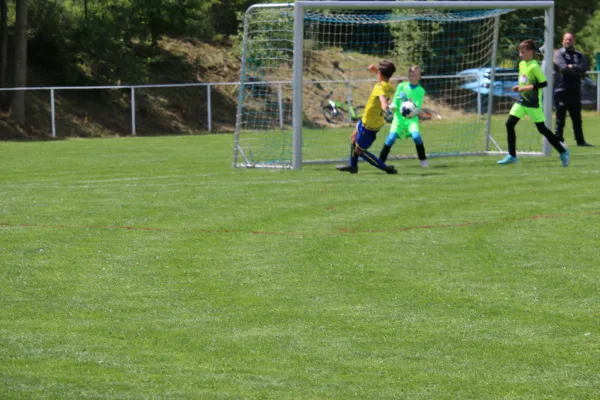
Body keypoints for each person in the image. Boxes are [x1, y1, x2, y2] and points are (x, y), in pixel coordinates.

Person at [498, 39, 570, 166]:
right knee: (509, 124)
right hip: (521, 101)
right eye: (520, 52)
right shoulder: (522, 64)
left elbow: (544, 83)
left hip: (533, 103)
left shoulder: (535, 66)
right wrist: (519, 87)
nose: (520, 55)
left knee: (542, 129)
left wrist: (524, 88)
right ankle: (512, 155)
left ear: (531, 52)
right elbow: (524, 81)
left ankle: (563, 151)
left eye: (522, 52)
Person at [336, 60, 398, 174]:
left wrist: (385, 105)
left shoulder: (380, 87)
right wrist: (375, 70)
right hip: (366, 119)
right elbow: (382, 83)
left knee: (359, 151)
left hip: (370, 124)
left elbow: (382, 97)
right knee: (354, 138)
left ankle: (385, 168)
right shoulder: (388, 86)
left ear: (380, 73)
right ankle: (353, 166)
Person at [379, 65, 428, 168]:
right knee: (391, 138)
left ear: (419, 77)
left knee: (416, 137)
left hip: (411, 120)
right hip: (398, 119)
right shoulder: (401, 86)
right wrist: (390, 107)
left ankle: (423, 160)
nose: (411, 77)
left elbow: (415, 107)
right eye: (410, 74)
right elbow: (395, 102)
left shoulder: (421, 91)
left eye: (414, 75)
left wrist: (406, 100)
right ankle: (380, 162)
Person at [553, 32, 592, 146]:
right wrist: (575, 69)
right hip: (561, 89)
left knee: (577, 118)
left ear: (574, 41)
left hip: (575, 90)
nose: (568, 41)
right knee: (560, 117)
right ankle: (558, 140)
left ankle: (580, 141)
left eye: (570, 39)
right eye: (566, 39)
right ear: (562, 41)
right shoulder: (558, 54)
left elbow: (584, 67)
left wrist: (573, 67)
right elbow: (563, 67)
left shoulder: (578, 54)